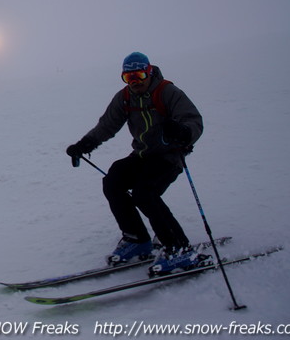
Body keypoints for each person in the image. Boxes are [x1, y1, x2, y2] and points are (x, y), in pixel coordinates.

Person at [66, 52, 211, 276]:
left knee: (145, 193)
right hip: (142, 156)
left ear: (149, 72)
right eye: (129, 77)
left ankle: (179, 248)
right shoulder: (125, 98)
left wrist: (183, 133)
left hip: (168, 157)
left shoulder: (167, 92)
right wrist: (84, 145)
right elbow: (107, 125)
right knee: (113, 180)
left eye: (140, 75)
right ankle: (137, 238)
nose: (135, 82)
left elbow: (193, 121)